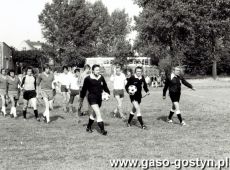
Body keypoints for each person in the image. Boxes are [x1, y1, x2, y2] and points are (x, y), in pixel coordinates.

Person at [80, 64, 110, 135]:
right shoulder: (88, 78)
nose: (98, 71)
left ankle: (88, 127)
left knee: (94, 114)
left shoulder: (101, 77)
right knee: (98, 113)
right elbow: (84, 89)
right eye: (96, 70)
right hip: (91, 97)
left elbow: (105, 86)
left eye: (99, 70)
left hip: (99, 98)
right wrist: (81, 98)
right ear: (92, 71)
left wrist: (108, 93)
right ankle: (102, 130)